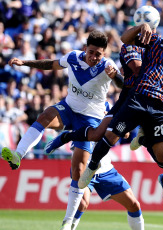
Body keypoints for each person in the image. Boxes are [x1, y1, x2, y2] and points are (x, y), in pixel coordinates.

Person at [1, 30, 123, 229]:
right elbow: (51, 64)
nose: (94, 57)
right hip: (68, 109)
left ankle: (68, 221)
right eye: (91, 52)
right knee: (45, 116)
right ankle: (18, 155)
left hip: (90, 120)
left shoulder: (108, 66)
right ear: (85, 48)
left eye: (98, 54)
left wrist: (116, 77)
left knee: (79, 169)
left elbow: (124, 86)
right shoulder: (74, 57)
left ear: (104, 54)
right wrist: (25, 62)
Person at [78, 24, 163, 209]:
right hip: (138, 99)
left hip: (160, 109)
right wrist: (141, 27)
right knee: (111, 136)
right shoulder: (157, 42)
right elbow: (125, 39)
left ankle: (162, 175)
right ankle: (92, 166)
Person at [68, 154, 144, 230]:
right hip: (84, 169)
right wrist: (55, 145)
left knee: (134, 205)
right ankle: (67, 228)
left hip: (106, 171)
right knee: (82, 204)